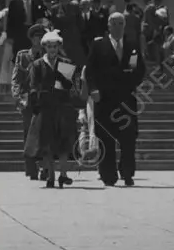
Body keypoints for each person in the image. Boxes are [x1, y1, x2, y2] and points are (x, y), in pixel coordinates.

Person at [85, 11, 147, 187]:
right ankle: (108, 175)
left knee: (128, 139)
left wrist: (131, 82)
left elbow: (139, 69)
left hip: (126, 99)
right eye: (115, 24)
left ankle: (127, 173)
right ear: (108, 26)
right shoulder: (98, 46)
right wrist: (93, 90)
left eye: (121, 24)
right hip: (104, 99)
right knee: (106, 138)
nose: (118, 27)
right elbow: (90, 72)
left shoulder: (132, 45)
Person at [24, 30, 79, 188]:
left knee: (63, 143)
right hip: (45, 106)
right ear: (44, 47)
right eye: (49, 46)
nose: (52, 49)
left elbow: (70, 85)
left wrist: (61, 76)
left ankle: (63, 174)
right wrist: (35, 100)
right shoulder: (37, 64)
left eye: (55, 46)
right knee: (46, 143)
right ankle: (51, 175)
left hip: (62, 106)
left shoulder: (66, 63)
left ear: (58, 47)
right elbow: (33, 85)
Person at [11, 22, 48, 180]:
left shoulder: (49, 55)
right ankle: (31, 168)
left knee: (45, 133)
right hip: (28, 98)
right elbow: (16, 77)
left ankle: (44, 167)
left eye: (41, 38)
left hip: (44, 98)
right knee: (28, 134)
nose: (38, 41)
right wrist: (17, 95)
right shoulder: (23, 55)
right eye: (35, 38)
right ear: (31, 39)